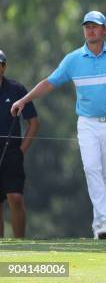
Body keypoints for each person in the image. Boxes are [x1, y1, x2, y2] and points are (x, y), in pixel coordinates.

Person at [11, 11, 106, 239]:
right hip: (87, 124)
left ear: (104, 30)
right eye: (87, 26)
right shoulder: (73, 59)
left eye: (95, 26)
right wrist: (25, 100)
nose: (90, 30)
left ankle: (99, 227)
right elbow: (49, 83)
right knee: (91, 168)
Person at [0, 50, 39, 238]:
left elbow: (33, 122)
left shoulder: (16, 89)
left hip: (12, 151)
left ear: (4, 67)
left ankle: (19, 242)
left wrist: (21, 150)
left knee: (15, 198)